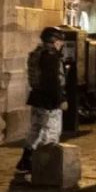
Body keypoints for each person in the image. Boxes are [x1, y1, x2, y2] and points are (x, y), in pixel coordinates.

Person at [16, 27, 67, 174]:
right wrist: (61, 99)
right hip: (49, 100)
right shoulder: (51, 56)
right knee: (50, 133)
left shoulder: (37, 53)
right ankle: (44, 166)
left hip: (37, 97)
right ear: (53, 41)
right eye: (60, 41)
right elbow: (52, 80)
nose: (61, 44)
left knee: (35, 130)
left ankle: (25, 162)